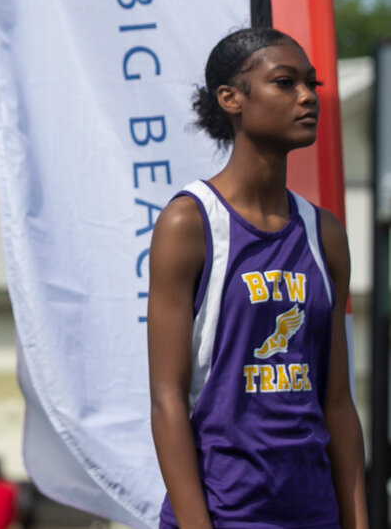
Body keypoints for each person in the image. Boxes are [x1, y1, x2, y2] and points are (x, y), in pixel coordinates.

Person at [148, 27, 368, 529]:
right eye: (285, 82)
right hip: (225, 514)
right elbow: (166, 399)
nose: (308, 96)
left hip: (315, 513)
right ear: (231, 98)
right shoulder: (190, 223)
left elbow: (337, 403)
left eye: (312, 84)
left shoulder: (324, 234)